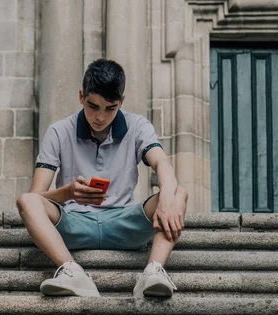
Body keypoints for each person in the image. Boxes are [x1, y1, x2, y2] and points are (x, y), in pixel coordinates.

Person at [17, 58, 187, 298]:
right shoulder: (58, 131)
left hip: (124, 223)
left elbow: (161, 163)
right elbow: (36, 196)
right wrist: (67, 193)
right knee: (26, 201)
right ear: (81, 96)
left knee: (178, 192)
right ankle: (71, 271)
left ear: (121, 102)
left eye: (110, 108)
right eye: (93, 106)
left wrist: (167, 197)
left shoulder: (137, 126)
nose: (100, 117)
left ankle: (154, 271)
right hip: (73, 222)